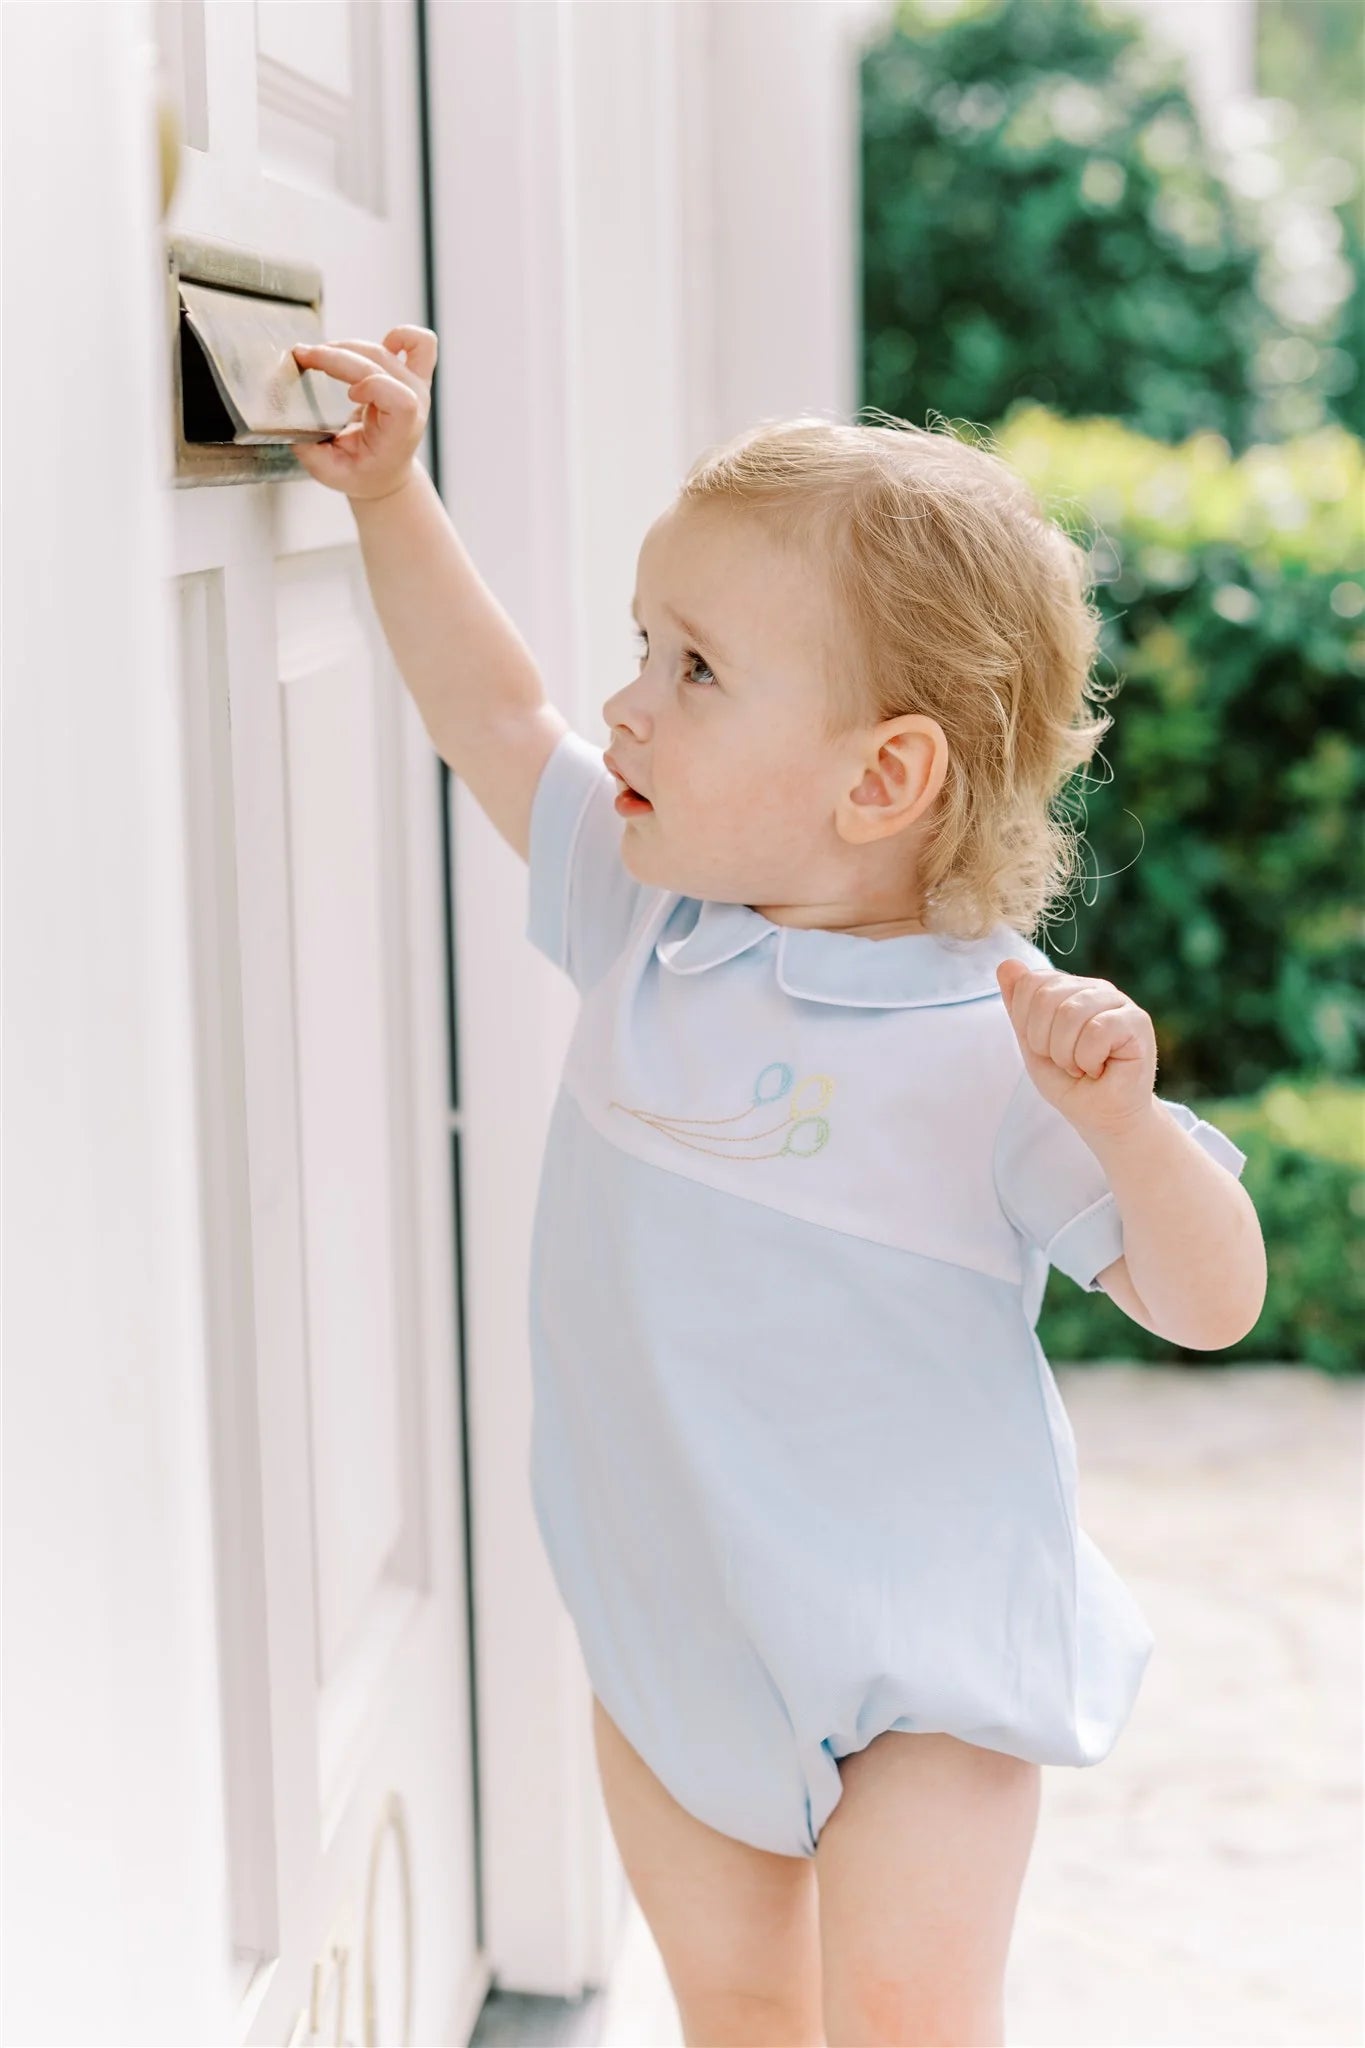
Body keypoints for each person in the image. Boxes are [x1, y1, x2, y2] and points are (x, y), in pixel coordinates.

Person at [289, 328, 1267, 2048]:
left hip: (921, 1671)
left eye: (693, 670)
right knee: (738, 2013)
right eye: (642, 647)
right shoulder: (642, 919)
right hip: (675, 1635)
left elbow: (1210, 1304)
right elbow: (495, 715)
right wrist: (388, 497)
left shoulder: (1001, 1045)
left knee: (905, 2024)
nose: (625, 704)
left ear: (880, 777)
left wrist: (1126, 1130)